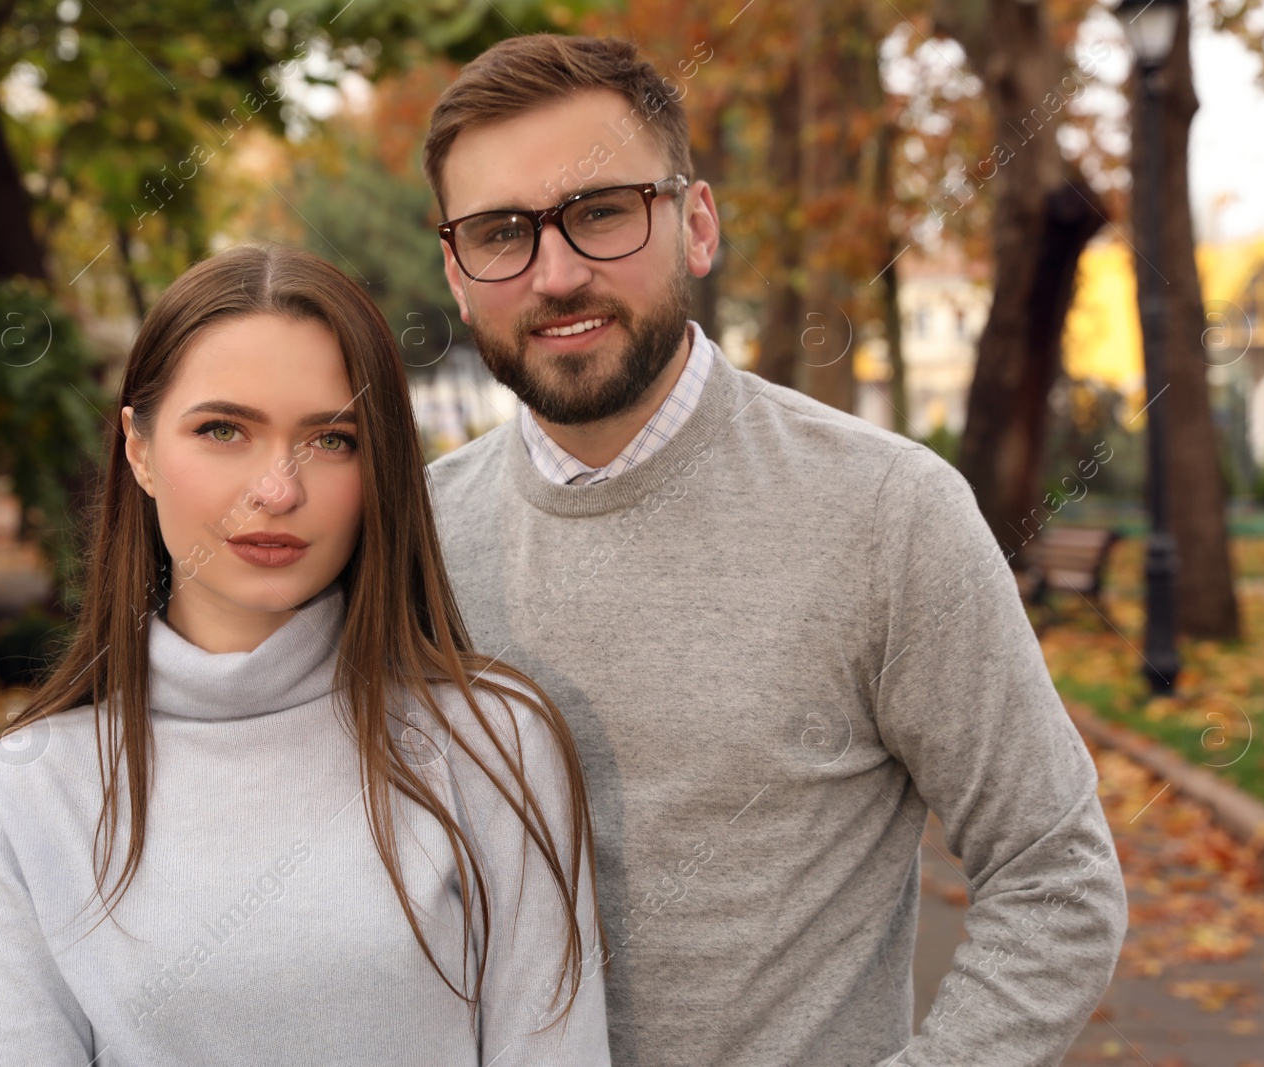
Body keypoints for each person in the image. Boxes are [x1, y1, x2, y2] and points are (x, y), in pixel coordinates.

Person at [422, 34, 1129, 1067]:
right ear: (454, 269)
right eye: (500, 232)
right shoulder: (414, 535)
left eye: (602, 211)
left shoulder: (889, 512)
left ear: (695, 224)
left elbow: (1054, 876)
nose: (556, 272)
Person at [0, 244, 610, 1066]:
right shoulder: (28, 793)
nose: (278, 490)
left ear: (382, 468)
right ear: (140, 448)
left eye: (331, 439)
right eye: (223, 429)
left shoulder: (493, 745)